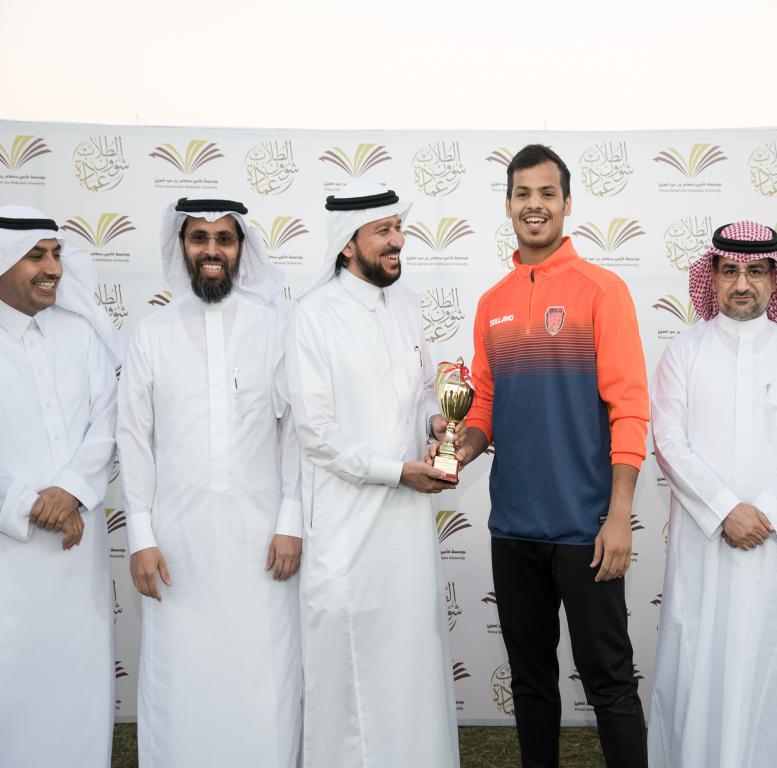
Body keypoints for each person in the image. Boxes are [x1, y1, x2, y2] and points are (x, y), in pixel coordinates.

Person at [451, 144, 650, 767]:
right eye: (522, 194)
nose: (533, 205)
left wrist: (618, 516)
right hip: (512, 528)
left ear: (566, 203)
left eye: (546, 194)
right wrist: (460, 445)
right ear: (508, 204)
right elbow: (484, 406)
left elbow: (629, 408)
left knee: (610, 683)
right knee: (531, 684)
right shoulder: (492, 302)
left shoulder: (603, 290)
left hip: (585, 529)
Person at [647, 221, 777, 768]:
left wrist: (768, 512)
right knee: (696, 669)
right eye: (730, 270)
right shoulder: (684, 350)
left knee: (772, 675)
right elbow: (668, 442)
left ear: (775, 279)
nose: (741, 284)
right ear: (711, 276)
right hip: (705, 547)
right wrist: (726, 510)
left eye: (755, 271)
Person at [117, 198, 302, 767]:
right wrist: (141, 537)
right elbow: (133, 439)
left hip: (262, 541)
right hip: (177, 543)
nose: (212, 250)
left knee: (265, 677)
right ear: (182, 246)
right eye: (200, 238)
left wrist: (290, 522)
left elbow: (295, 434)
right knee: (180, 677)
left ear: (242, 248)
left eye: (225, 238)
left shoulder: (275, 328)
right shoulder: (151, 333)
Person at [286, 181, 459, 768]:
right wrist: (395, 471)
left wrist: (436, 422)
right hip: (347, 527)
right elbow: (315, 432)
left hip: (408, 526)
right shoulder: (312, 317)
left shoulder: (406, 302)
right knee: (352, 668)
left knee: (411, 657)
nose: (397, 241)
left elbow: (424, 389)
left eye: (398, 228)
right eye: (382, 231)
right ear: (347, 244)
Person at [0, 206, 120, 768]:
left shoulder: (81, 334)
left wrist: (70, 492)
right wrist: (30, 504)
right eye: (35, 256)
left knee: (78, 686)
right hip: (10, 556)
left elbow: (108, 422)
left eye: (56, 254)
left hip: (76, 552)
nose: (52, 269)